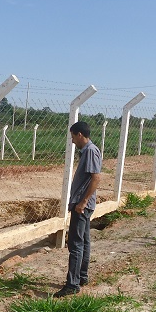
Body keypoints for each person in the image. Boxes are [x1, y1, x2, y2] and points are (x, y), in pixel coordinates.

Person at [54, 121, 102, 298]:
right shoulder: (90, 151)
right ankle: (82, 276)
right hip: (84, 204)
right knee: (84, 241)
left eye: (73, 136)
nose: (72, 140)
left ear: (80, 135)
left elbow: (96, 178)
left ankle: (72, 284)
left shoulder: (90, 151)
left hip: (82, 206)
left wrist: (83, 202)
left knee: (75, 244)